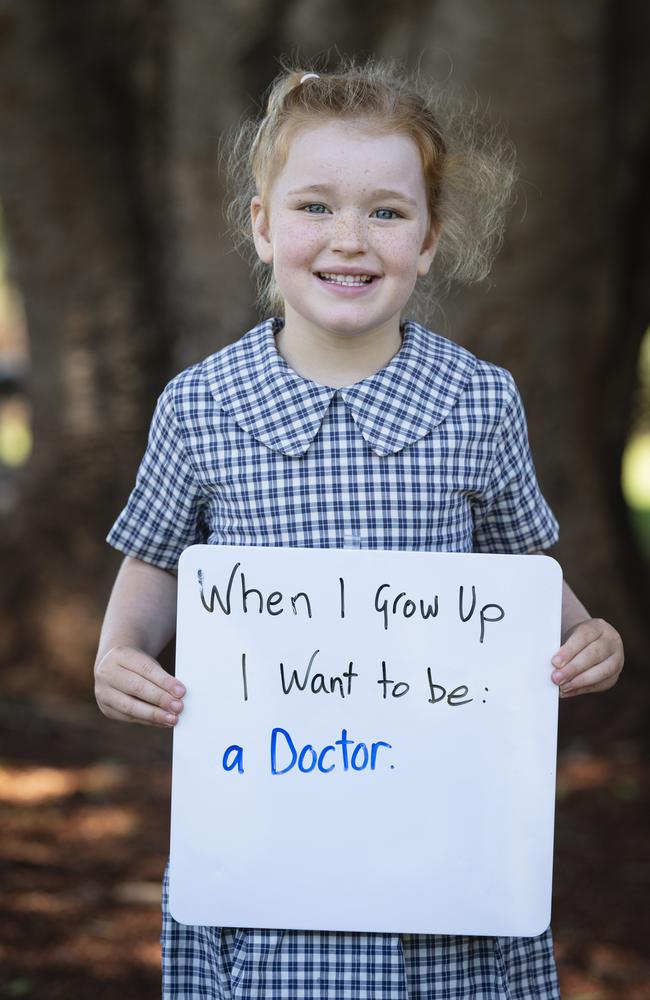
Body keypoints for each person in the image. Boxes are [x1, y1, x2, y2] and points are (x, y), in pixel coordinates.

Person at [94, 58, 624, 1000]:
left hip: (445, 873)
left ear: (428, 241)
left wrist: (588, 641)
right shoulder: (200, 406)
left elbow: (523, 577)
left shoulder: (478, 402)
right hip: (266, 867)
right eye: (314, 208)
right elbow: (156, 564)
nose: (350, 238)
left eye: (387, 211)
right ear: (262, 227)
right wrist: (120, 655)